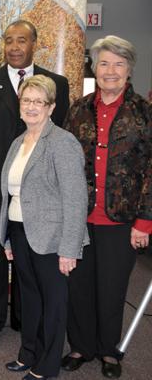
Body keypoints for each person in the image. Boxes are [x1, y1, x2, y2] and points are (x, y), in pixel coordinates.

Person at [0, 19, 70, 350]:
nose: (14, 46)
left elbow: (61, 138)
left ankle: (26, 319)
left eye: (21, 40)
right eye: (8, 40)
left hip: (39, 195)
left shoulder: (58, 84)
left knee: (32, 256)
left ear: (34, 43)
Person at [62, 35, 152, 379]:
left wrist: (145, 221)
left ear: (129, 69)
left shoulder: (144, 112)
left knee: (111, 288)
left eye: (118, 64)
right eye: (104, 63)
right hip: (79, 218)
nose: (110, 71)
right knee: (79, 285)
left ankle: (108, 350)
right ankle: (80, 346)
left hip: (121, 220)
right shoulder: (78, 108)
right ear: (94, 68)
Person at [0, 75, 87, 380]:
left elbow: (76, 200)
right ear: (19, 105)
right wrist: (8, 239)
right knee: (30, 299)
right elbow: (11, 194)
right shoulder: (17, 142)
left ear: (50, 107)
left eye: (39, 101)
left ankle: (47, 366)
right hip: (20, 232)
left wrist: (69, 248)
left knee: (54, 304)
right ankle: (28, 354)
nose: (32, 106)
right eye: (27, 100)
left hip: (53, 239)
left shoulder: (63, 142)